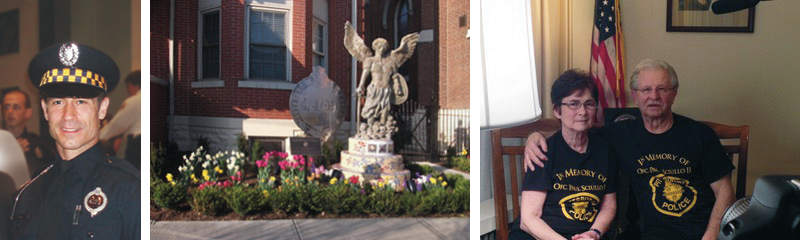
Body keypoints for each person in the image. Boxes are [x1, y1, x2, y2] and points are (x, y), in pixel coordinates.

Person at [524, 59, 735, 240]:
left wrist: (711, 235)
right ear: (635, 95)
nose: (654, 96)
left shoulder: (699, 134)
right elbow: (575, 128)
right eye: (646, 90)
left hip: (701, 231)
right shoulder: (619, 134)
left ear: (674, 93)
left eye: (662, 89)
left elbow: (725, 192)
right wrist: (534, 137)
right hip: (650, 234)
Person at [8, 43, 140, 239]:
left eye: (81, 102)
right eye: (58, 102)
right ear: (45, 109)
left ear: (102, 108)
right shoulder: (26, 194)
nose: (68, 115)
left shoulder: (129, 190)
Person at [509, 70, 617, 240]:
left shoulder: (605, 150)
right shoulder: (541, 150)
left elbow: (608, 206)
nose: (582, 111)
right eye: (573, 104)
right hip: (541, 235)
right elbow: (528, 219)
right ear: (557, 110)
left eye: (589, 104)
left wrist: (594, 233)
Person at [344, 21, 419, 138]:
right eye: (379, 47)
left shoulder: (391, 61)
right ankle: (370, 131)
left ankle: (382, 133)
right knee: (370, 111)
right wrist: (360, 86)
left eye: (383, 47)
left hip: (386, 90)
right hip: (374, 89)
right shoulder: (370, 60)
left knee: (385, 111)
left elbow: (395, 77)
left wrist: (398, 87)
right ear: (375, 47)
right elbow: (365, 73)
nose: (381, 49)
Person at [2, 89, 56, 177]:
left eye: (16, 107)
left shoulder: (40, 146)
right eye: (7, 107)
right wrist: (9, 153)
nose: (10, 111)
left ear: (28, 113)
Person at [99, 70, 141, 170]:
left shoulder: (134, 101)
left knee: (129, 172)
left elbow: (117, 125)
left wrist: (96, 138)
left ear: (133, 85)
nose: (127, 91)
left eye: (128, 87)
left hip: (137, 143)